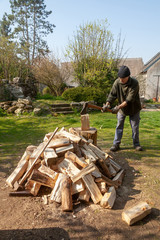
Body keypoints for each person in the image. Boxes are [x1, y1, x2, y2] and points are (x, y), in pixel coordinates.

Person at [102, 65, 143, 152]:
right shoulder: (117, 82)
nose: (121, 80)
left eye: (123, 78)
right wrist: (107, 104)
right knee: (119, 126)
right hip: (122, 109)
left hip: (134, 108)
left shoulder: (135, 83)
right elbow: (112, 95)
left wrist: (117, 107)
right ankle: (116, 144)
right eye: (120, 78)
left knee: (135, 127)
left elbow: (129, 99)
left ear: (128, 76)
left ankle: (136, 144)